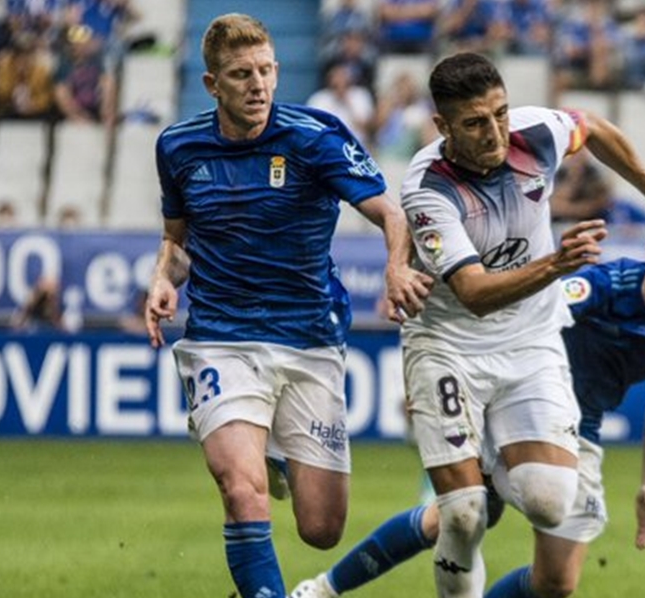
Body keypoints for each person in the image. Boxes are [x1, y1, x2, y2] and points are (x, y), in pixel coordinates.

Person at [289, 205, 645, 598]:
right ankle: (321, 590)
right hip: (513, 406)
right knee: (456, 516)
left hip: (577, 430)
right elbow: (529, 306)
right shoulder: (605, 286)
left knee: (556, 583)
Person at [143, 14, 432, 598]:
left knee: (322, 530)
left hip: (309, 340)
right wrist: (162, 278)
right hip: (221, 338)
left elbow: (391, 212)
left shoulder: (315, 137)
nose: (259, 85)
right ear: (211, 84)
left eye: (267, 70)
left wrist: (397, 266)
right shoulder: (178, 147)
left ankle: (273, 450)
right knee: (240, 489)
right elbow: (177, 241)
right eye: (241, 74)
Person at [389, 52, 645, 598]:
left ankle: (485, 459)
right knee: (463, 517)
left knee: (552, 502)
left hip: (529, 340)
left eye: (500, 114)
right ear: (443, 126)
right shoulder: (428, 189)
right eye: (475, 123)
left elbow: (593, 127)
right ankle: (472, 478)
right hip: (450, 345)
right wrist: (556, 264)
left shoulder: (535, 132)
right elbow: (474, 293)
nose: (495, 132)